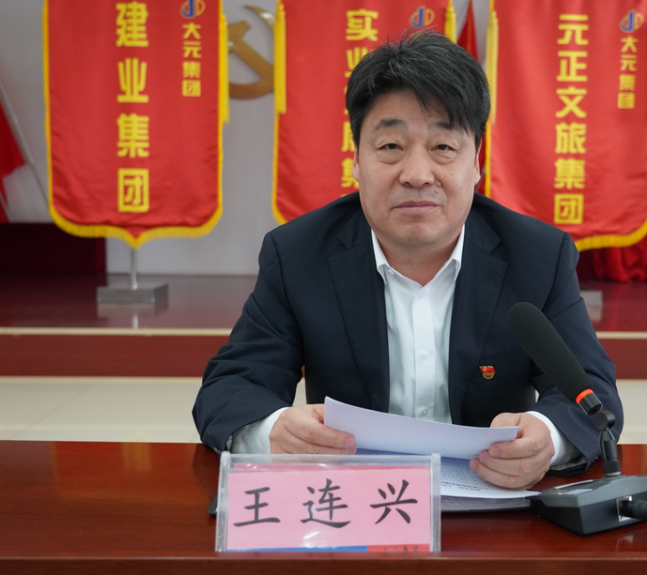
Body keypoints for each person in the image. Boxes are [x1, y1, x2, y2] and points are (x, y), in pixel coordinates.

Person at [193, 31, 621, 490]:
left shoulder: (537, 255)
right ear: (357, 160)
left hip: (494, 502)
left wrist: (548, 440)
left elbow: (591, 393)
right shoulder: (298, 254)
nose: (417, 175)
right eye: (391, 147)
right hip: (351, 504)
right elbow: (231, 388)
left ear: (476, 162)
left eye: (443, 148)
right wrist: (273, 431)